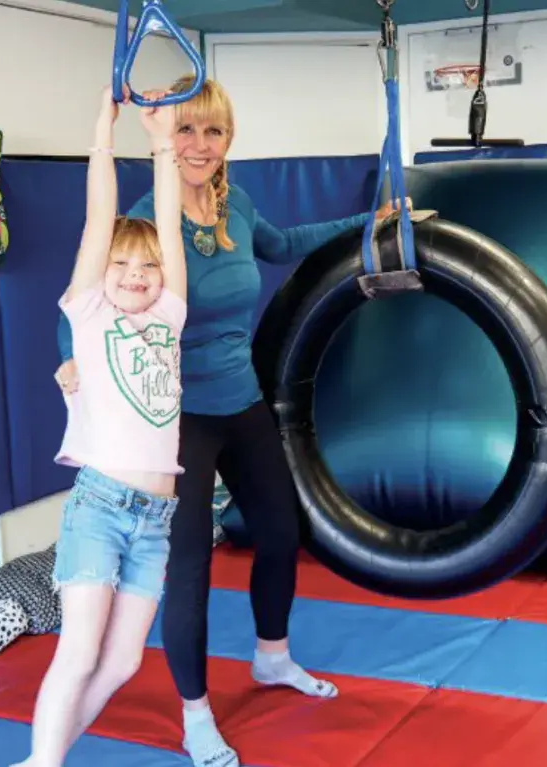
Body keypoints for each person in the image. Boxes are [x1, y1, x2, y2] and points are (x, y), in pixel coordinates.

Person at [53, 76, 406, 767]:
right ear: (166, 138)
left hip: (240, 400)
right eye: (185, 129)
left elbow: (285, 242)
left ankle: (272, 657)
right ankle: (195, 714)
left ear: (228, 141)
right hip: (174, 420)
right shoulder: (146, 217)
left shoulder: (235, 205)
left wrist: (372, 223)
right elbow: (88, 292)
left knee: (281, 530)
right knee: (188, 568)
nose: (199, 144)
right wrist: (71, 363)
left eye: (212, 131)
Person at [14, 84, 185, 767]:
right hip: (101, 508)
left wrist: (163, 141)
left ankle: (42, 758)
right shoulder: (89, 315)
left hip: (156, 521)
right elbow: (98, 221)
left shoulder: (169, 317)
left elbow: (166, 225)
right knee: (81, 650)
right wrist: (104, 137)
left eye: (147, 266)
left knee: (120, 662)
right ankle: (44, 762)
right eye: (123, 264)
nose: (137, 274)